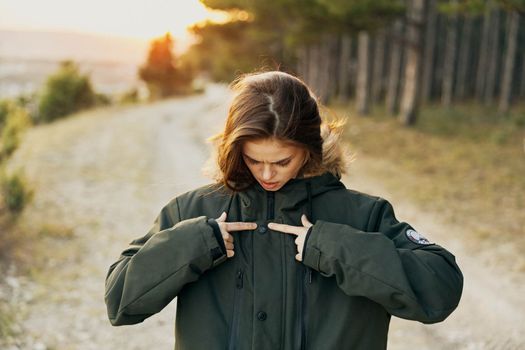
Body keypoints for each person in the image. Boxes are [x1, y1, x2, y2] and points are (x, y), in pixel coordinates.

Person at [104, 71, 463, 350]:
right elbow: (119, 301)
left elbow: (441, 288)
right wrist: (195, 244)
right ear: (233, 147)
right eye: (253, 159)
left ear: (310, 147)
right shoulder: (193, 210)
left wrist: (334, 247)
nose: (266, 174)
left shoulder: (362, 215)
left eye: (281, 161)